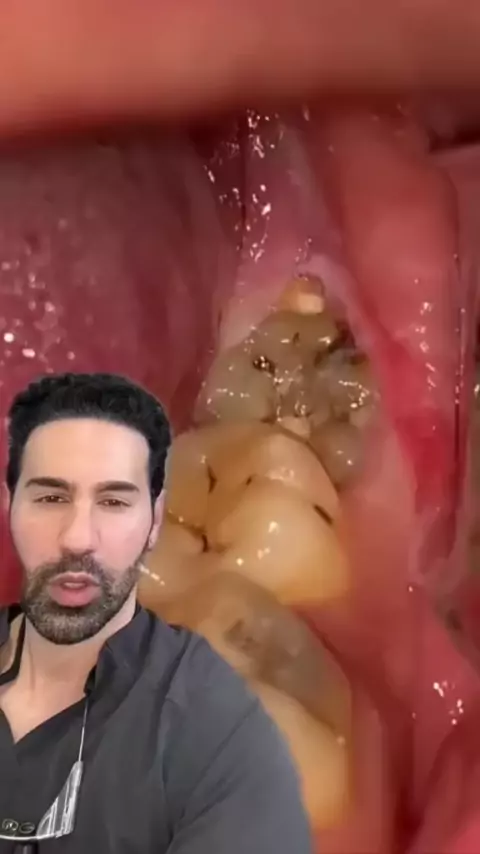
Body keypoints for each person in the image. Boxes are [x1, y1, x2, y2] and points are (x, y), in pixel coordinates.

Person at [0, 371, 312, 853]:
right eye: (51, 497)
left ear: (156, 519)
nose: (78, 538)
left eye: (114, 501)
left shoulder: (219, 736)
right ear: (10, 503)